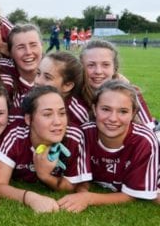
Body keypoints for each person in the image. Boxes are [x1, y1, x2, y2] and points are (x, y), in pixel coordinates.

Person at [58, 81, 159, 212]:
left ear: (133, 113)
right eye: (105, 109)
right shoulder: (84, 134)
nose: (113, 118)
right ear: (94, 109)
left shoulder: (143, 141)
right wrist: (82, 191)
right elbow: (81, 177)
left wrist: (89, 198)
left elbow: (134, 193)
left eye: (123, 111)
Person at [0, 86, 91, 213]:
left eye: (62, 113)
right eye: (47, 114)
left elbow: (69, 186)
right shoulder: (15, 135)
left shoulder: (74, 137)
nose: (58, 122)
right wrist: (31, 198)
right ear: (28, 119)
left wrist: (44, 175)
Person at [79, 39, 155, 130]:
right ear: (81, 67)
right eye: (91, 65)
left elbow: (150, 132)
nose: (98, 71)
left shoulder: (132, 94)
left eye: (105, 65)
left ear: (114, 68)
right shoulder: (74, 100)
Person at [0, 24, 43, 117]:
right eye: (21, 47)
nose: (28, 52)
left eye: (33, 45)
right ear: (10, 53)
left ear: (42, 47)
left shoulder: (56, 74)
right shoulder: (1, 74)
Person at [33, 51, 88, 126]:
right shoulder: (27, 98)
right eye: (38, 73)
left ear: (67, 86)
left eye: (47, 77)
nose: (37, 81)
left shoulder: (76, 116)